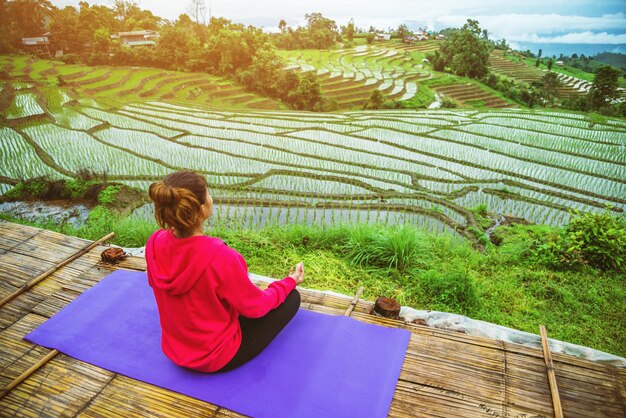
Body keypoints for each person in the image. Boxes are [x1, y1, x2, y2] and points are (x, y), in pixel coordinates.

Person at [145, 170, 303, 373]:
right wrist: (289, 282)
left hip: (175, 349)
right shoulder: (221, 257)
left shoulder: (155, 242)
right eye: (208, 193)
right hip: (215, 357)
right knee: (291, 299)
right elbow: (255, 307)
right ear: (202, 207)